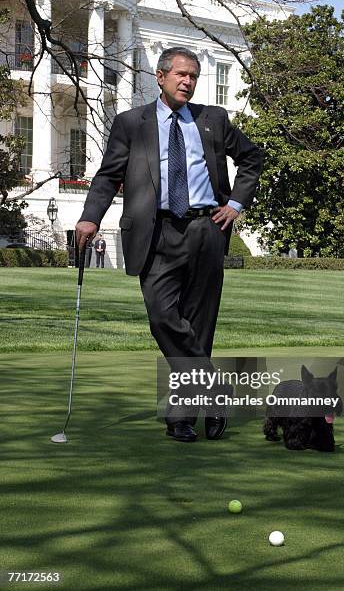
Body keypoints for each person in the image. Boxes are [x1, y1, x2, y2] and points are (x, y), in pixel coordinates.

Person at [76, 46, 263, 442]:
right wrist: (91, 215)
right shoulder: (131, 123)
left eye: (193, 76)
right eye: (180, 74)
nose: (188, 82)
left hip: (206, 231)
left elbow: (252, 158)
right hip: (156, 234)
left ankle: (180, 418)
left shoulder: (214, 118)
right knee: (164, 317)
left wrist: (235, 204)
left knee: (198, 328)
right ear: (160, 77)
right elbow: (109, 175)